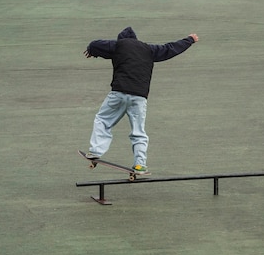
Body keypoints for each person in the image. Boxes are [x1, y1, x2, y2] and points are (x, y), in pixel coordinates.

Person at [83, 27, 199, 174]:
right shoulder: (148, 49)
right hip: (139, 96)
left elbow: (95, 44)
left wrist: (92, 51)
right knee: (138, 132)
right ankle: (140, 164)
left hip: (118, 93)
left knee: (103, 120)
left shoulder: (119, 45)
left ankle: (95, 151)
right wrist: (189, 40)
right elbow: (170, 49)